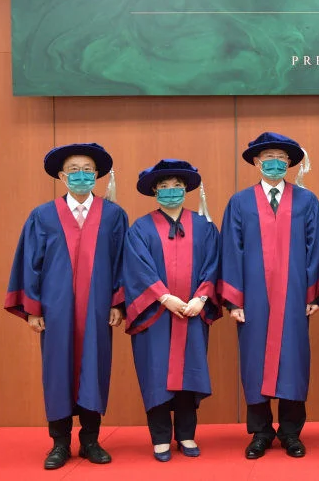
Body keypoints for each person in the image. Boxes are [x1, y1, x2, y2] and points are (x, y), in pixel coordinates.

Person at [4, 143, 127, 470]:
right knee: (57, 371)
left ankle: (90, 440)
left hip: (98, 307)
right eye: (73, 170)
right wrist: (33, 308)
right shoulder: (42, 215)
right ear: (61, 175)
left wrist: (119, 303)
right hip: (56, 308)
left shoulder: (114, 215)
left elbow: (121, 263)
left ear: (97, 174)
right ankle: (59, 443)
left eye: (87, 169)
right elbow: (30, 263)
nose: (81, 175)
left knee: (94, 367)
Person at [219, 132, 319, 459]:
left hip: (294, 296)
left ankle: (292, 433)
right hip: (253, 298)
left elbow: (316, 248)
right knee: (254, 362)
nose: (275, 163)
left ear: (290, 163)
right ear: (256, 161)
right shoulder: (239, 202)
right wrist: (234, 300)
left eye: (281, 158)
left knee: (293, 361)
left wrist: (312, 294)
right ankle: (261, 433)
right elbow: (231, 250)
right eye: (268, 157)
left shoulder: (307, 201)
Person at [123, 159, 221, 461]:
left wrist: (201, 299)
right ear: (154, 191)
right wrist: (164, 298)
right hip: (155, 316)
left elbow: (214, 266)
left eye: (177, 187)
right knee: (156, 375)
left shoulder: (205, 227)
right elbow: (137, 269)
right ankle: (161, 438)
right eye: (164, 187)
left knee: (189, 375)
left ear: (186, 189)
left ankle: (187, 435)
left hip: (192, 313)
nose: (171, 192)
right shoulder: (140, 228)